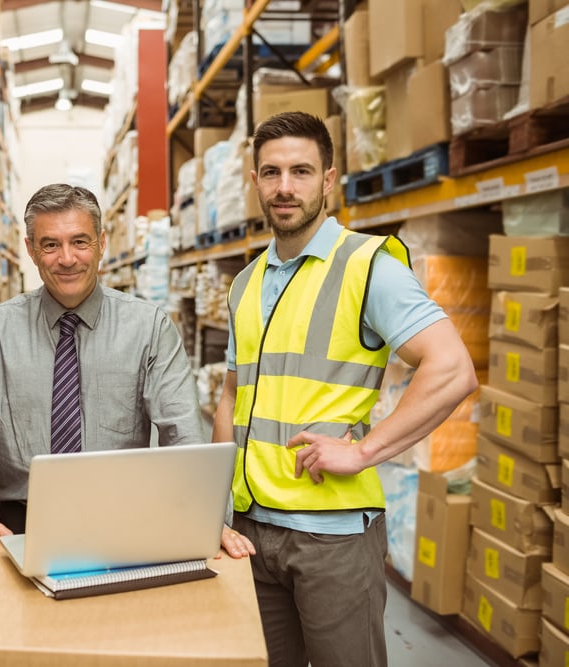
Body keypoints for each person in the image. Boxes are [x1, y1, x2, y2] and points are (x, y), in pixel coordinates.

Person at [213, 111, 478, 667]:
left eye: (301, 171)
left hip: (330, 537)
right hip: (250, 531)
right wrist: (215, 504)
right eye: (271, 172)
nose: (285, 187)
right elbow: (231, 395)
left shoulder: (367, 265)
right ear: (255, 181)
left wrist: (364, 451)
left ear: (329, 180)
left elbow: (452, 368)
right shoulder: (245, 282)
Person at [0, 183, 205, 553]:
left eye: (80, 242)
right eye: (50, 244)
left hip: (125, 518)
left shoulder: (149, 328)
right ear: (30, 250)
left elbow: (183, 434)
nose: (67, 258)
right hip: (19, 522)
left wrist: (202, 518)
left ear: (101, 243)